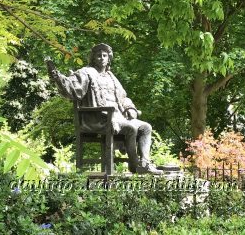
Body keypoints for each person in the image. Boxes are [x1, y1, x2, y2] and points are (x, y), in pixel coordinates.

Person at [46, 43, 162, 174]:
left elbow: (123, 97)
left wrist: (130, 108)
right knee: (131, 128)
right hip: (97, 117)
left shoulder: (111, 77)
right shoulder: (86, 73)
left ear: (108, 58)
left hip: (119, 116)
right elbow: (72, 87)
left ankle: (145, 163)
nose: (101, 58)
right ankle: (135, 165)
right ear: (93, 58)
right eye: (98, 55)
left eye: (104, 55)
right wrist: (58, 78)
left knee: (146, 127)